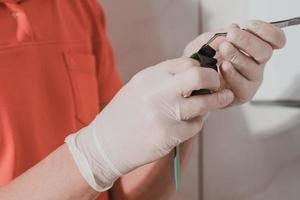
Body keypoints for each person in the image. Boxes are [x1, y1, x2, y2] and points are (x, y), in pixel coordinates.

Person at [0, 0, 286, 199]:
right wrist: (95, 154)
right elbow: (102, 157)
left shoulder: (78, 7)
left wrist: (192, 95)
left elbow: (125, 193)